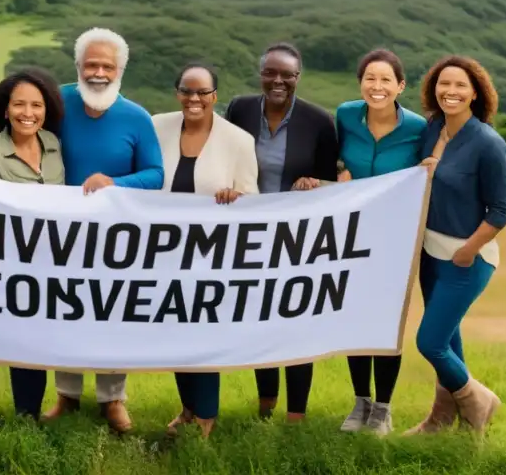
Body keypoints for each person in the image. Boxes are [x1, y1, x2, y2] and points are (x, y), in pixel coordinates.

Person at [41, 27, 164, 434]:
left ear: (120, 71)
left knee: (112, 315)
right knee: (65, 313)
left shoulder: (137, 116)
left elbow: (155, 174)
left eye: (106, 66)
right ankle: (67, 396)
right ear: (77, 67)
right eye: (90, 64)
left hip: (117, 237)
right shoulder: (55, 103)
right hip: (60, 232)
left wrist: (116, 183)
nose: (98, 72)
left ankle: (113, 400)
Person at [224, 42, 338, 422]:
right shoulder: (239, 110)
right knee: (260, 321)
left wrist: (315, 182)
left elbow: (329, 181)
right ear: (260, 75)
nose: (278, 81)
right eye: (270, 73)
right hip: (250, 237)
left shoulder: (319, 121)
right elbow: (225, 160)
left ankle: (297, 414)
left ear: (297, 78)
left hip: (296, 239)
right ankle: (265, 404)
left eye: (286, 75)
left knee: (295, 321)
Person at [406, 55, 506, 436]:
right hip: (430, 254)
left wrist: (467, 250)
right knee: (450, 338)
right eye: (444, 84)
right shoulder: (432, 128)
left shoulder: (488, 143)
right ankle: (443, 420)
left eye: (460, 86)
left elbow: (501, 210)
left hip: (467, 259)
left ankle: (479, 400)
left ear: (475, 94)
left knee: (430, 342)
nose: (450, 91)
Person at [152, 62, 259, 439]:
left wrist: (237, 197)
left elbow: (252, 200)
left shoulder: (238, 141)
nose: (194, 99)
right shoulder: (156, 126)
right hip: (160, 256)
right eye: (187, 91)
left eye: (202, 92)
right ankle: (187, 409)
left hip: (211, 257)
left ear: (215, 96)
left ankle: (206, 417)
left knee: (202, 336)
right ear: (177, 92)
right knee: (175, 336)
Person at [0, 68, 66, 421]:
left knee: (32, 344)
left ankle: (28, 418)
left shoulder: (54, 145)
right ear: (4, 110)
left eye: (36, 105)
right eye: (19, 104)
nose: (28, 113)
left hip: (43, 269)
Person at [334, 49, 427, 436]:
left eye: (386, 79)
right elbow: (333, 156)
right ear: (361, 83)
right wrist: (339, 170)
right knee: (355, 319)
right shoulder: (344, 115)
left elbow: (428, 170)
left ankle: (383, 410)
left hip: (396, 238)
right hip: (351, 235)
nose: (377, 86)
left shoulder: (419, 128)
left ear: (400, 86)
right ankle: (360, 403)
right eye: (370, 78)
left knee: (388, 324)